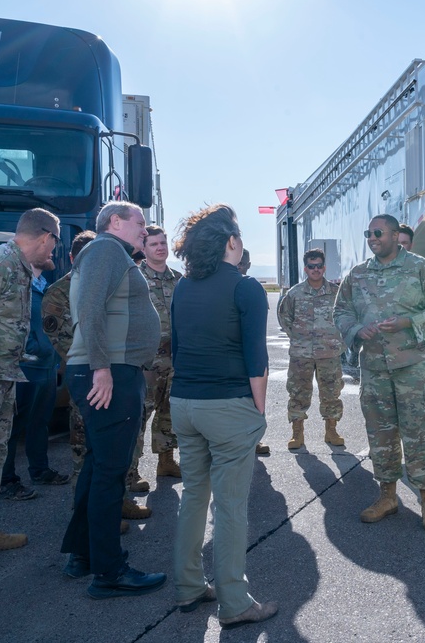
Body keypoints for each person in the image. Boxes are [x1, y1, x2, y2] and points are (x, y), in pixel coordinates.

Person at [169, 204, 277, 627]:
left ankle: (189, 586)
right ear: (232, 241)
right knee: (231, 508)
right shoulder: (245, 287)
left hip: (185, 403)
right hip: (228, 407)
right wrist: (260, 413)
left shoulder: (182, 287)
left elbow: (177, 349)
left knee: (194, 496)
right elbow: (257, 360)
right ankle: (234, 604)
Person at [60, 200, 166, 599]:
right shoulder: (106, 248)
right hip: (110, 373)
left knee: (97, 463)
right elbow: (89, 308)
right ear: (116, 222)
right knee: (110, 471)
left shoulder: (109, 252)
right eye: (140, 223)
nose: (145, 229)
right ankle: (109, 571)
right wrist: (103, 368)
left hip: (110, 369)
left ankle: (83, 554)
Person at [333, 214, 425, 531]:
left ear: (395, 234)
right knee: (381, 437)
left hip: (416, 371)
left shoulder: (419, 268)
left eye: (378, 232)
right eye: (368, 233)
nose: (372, 238)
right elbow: (341, 311)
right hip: (375, 370)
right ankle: (387, 497)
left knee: (420, 437)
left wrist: (409, 323)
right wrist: (358, 330)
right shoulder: (357, 275)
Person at [0, 208, 60, 573]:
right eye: (53, 243)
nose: (53, 252)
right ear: (44, 237)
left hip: (0, 378)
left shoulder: (18, 268)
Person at [43, 232, 148, 524]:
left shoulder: (107, 280)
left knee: (113, 453)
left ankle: (115, 502)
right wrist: (94, 360)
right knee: (86, 452)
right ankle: (89, 516)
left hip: (109, 373)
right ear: (75, 259)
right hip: (91, 377)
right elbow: (61, 336)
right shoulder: (59, 291)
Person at [0, 259, 68, 501]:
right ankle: (6, 480)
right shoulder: (16, 284)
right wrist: (29, 349)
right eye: (49, 245)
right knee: (12, 427)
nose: (52, 252)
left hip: (46, 367)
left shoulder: (44, 285)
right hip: (25, 367)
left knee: (40, 422)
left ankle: (40, 471)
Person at [278, 248, 345, 451]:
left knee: (332, 393)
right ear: (305, 269)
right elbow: (284, 318)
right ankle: (297, 433)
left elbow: (345, 317)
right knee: (298, 393)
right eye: (311, 266)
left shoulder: (336, 293)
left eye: (318, 266)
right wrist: (298, 338)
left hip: (329, 353)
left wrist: (337, 340)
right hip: (301, 354)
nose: (315, 270)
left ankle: (331, 430)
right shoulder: (295, 294)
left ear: (324, 268)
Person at [130, 225, 182, 483]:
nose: (160, 247)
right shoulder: (134, 278)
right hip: (146, 361)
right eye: (154, 244)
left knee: (169, 411)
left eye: (163, 243)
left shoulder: (180, 279)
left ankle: (166, 460)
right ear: (144, 248)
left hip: (175, 358)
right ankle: (132, 471)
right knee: (140, 414)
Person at [236, 249, 270, 456]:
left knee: (255, 398)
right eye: (237, 263)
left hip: (252, 352)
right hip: (232, 355)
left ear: (248, 265)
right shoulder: (225, 287)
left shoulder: (252, 287)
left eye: (243, 264)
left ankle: (254, 439)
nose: (239, 267)